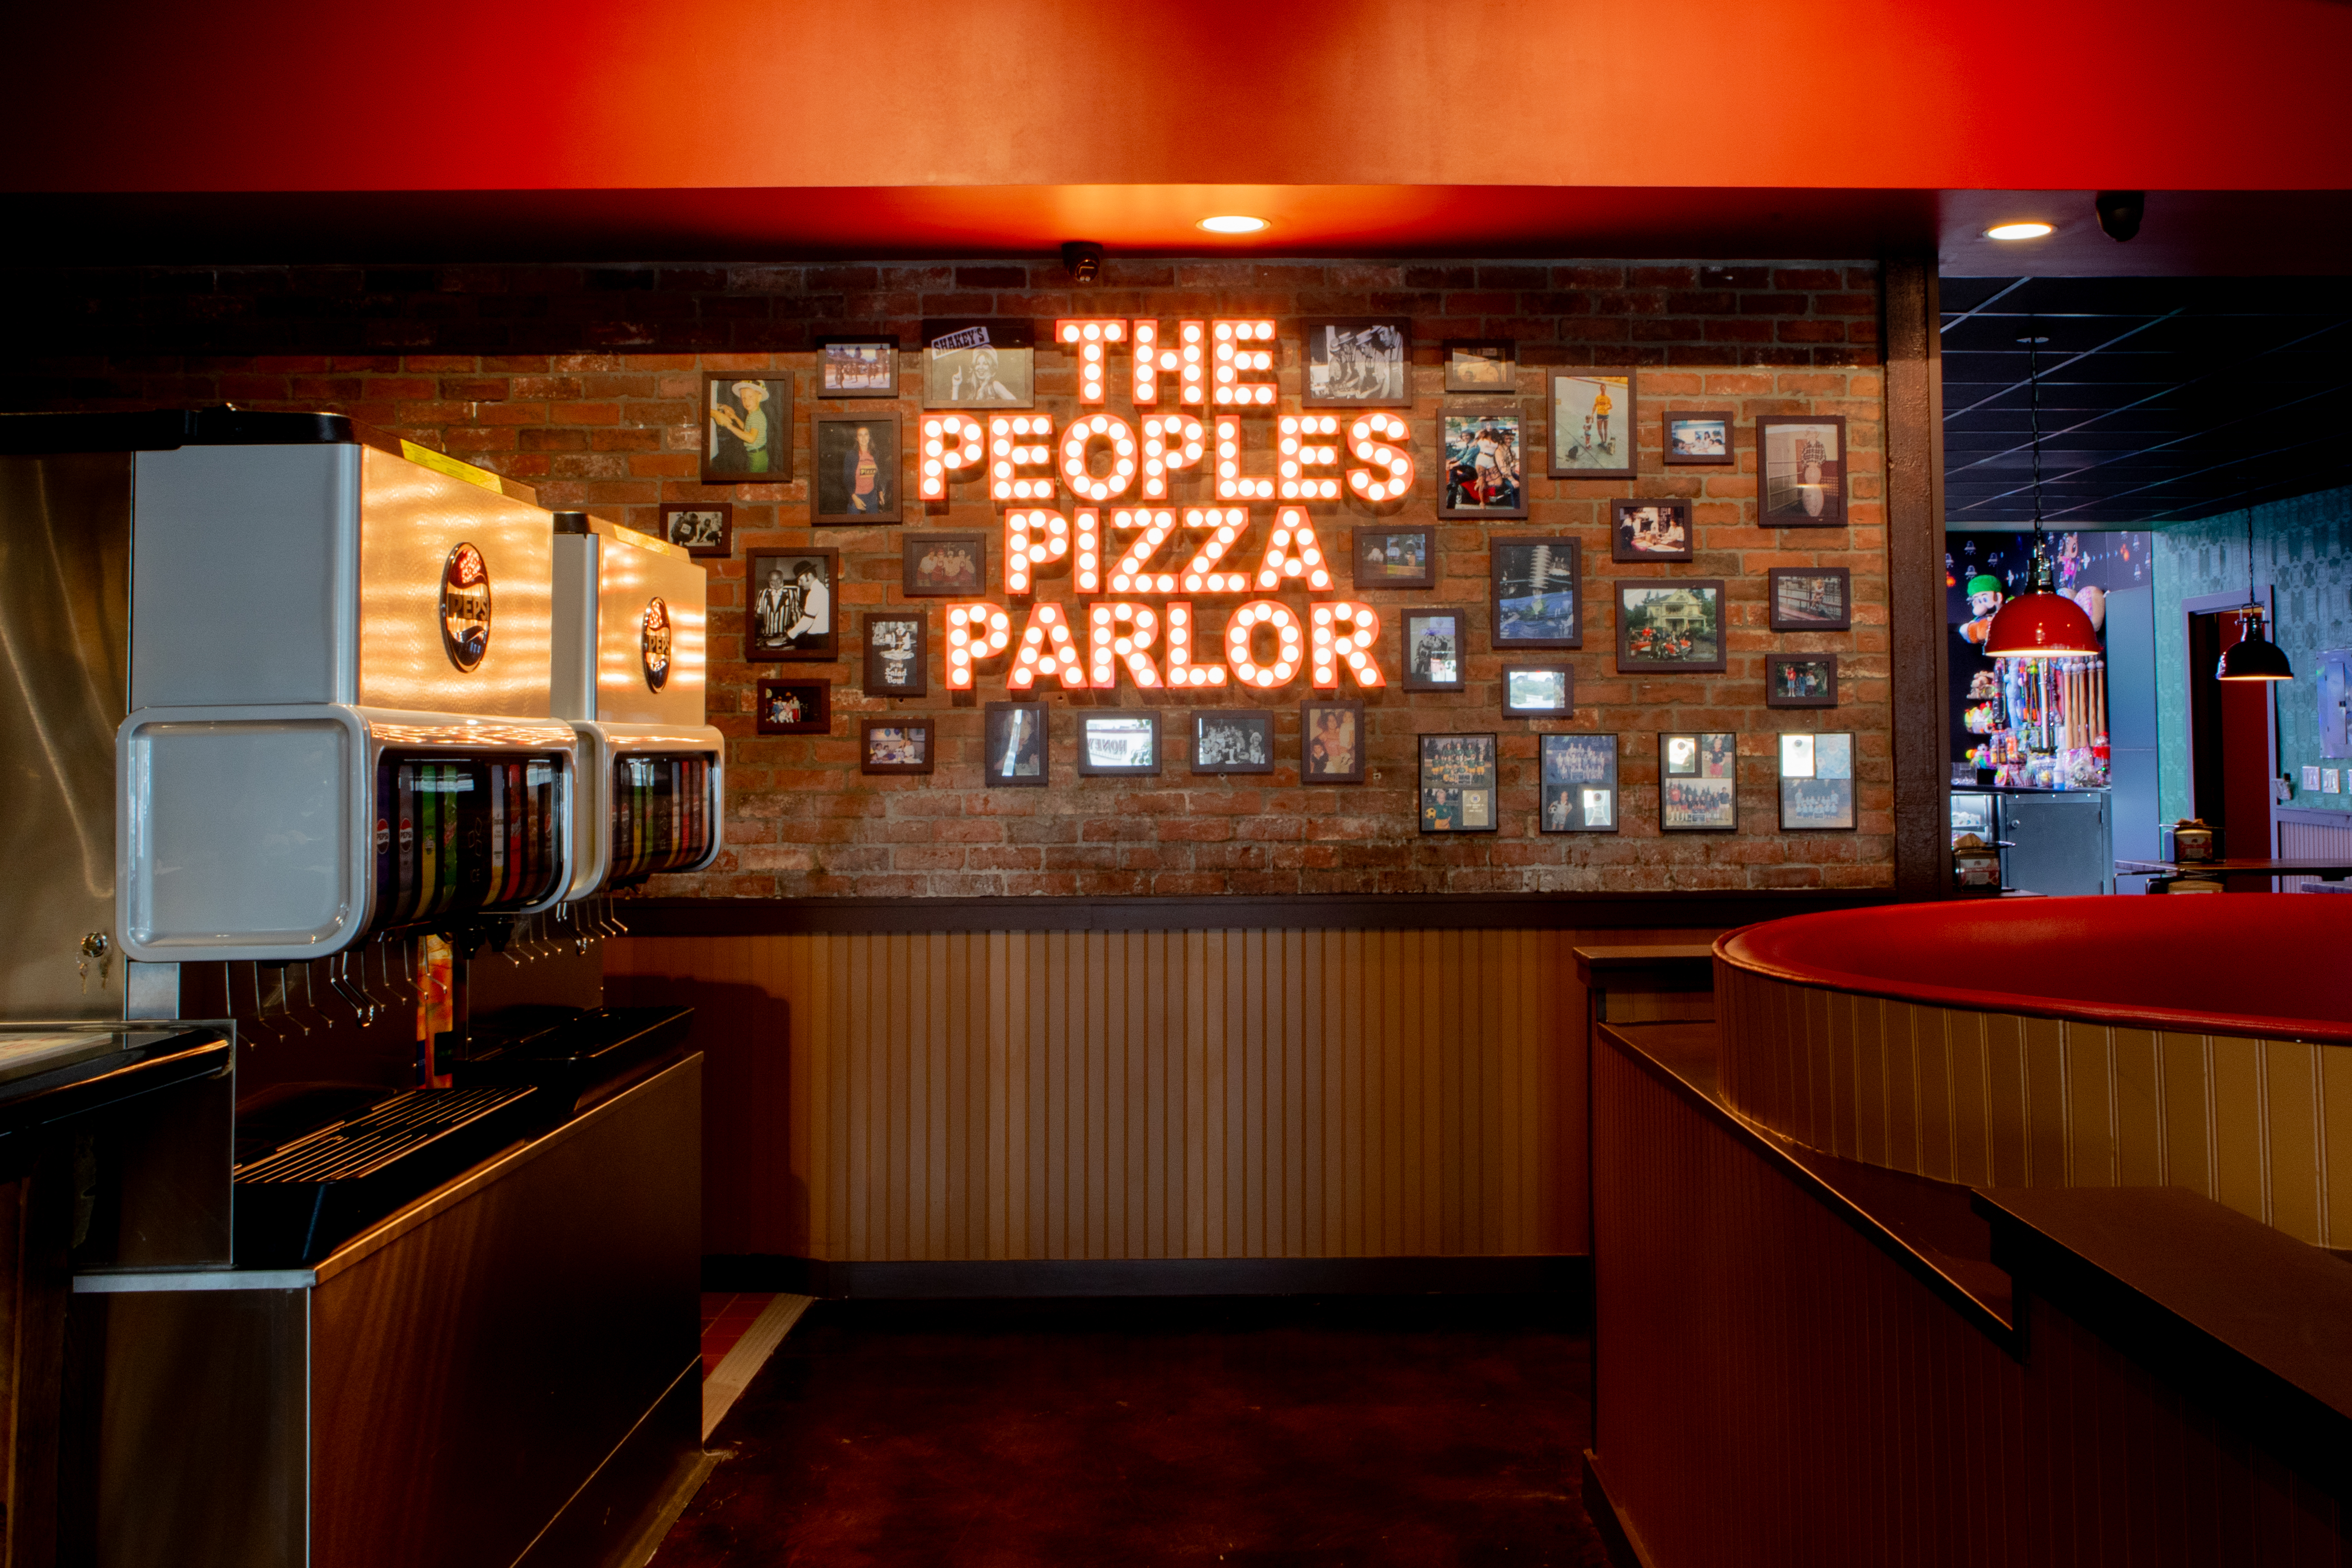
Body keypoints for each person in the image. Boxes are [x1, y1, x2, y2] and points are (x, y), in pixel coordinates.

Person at [710, 381, 772, 474]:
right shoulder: (753, 414)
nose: (747, 401)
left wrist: (730, 426)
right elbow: (746, 429)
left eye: (750, 397)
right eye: (744, 398)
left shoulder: (756, 417)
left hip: (757, 457)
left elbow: (751, 439)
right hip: (756, 454)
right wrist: (735, 418)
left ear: (759, 398)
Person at [753, 561, 799, 649]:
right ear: (769, 581)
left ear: (782, 579)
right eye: (772, 580)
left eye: (778, 579)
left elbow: (796, 615)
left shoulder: (791, 594)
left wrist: (795, 634)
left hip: (784, 636)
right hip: (766, 635)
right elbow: (758, 613)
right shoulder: (763, 593)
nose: (776, 583)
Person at [845, 424, 887, 512]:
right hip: (856, 497)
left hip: (872, 497)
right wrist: (855, 499)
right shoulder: (851, 455)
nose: (863, 438)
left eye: (866, 435)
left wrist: (880, 492)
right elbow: (846, 480)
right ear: (857, 438)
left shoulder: (875, 454)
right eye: (860, 435)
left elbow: (877, 476)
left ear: (870, 437)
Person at [784, 561, 829, 644]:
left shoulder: (815, 592)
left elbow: (808, 621)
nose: (799, 584)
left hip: (818, 638)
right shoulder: (821, 589)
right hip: (822, 637)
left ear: (809, 575)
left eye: (801, 580)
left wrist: (788, 636)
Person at [1591, 383, 1612, 447]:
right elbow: (1595, 406)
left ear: (1606, 389)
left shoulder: (1608, 398)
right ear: (1600, 390)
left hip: (1606, 415)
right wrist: (1592, 414)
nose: (1603, 390)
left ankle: (1605, 442)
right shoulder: (1598, 397)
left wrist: (1607, 408)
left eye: (1604, 389)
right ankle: (1602, 440)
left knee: (1605, 430)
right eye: (1602, 389)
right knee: (1599, 430)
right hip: (1599, 414)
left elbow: (1611, 406)